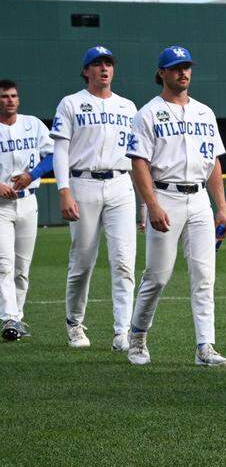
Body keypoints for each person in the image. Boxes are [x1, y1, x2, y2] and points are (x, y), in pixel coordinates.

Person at [123, 46, 226, 367]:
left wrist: (222, 207)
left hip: (199, 198)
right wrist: (151, 205)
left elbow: (213, 162)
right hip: (165, 196)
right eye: (175, 68)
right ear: (162, 73)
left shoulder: (204, 112)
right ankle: (138, 335)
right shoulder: (147, 113)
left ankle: (206, 347)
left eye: (186, 67)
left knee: (204, 276)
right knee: (157, 276)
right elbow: (139, 163)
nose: (183, 73)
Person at [51, 46, 138, 350]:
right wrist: (64, 190)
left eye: (108, 63)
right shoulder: (71, 103)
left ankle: (123, 330)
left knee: (125, 261)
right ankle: (75, 323)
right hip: (83, 183)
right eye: (97, 64)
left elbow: (140, 156)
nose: (104, 68)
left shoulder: (128, 107)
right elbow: (60, 150)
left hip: (121, 184)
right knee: (83, 261)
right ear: (86, 70)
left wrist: (146, 201)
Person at [0, 79, 53, 341]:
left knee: (22, 267)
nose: (9, 100)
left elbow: (53, 155)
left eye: (13, 95)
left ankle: (16, 319)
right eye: (4, 96)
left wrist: (32, 175)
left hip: (28, 201)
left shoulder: (32, 124)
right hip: (0, 207)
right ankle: (9, 316)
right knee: (4, 264)